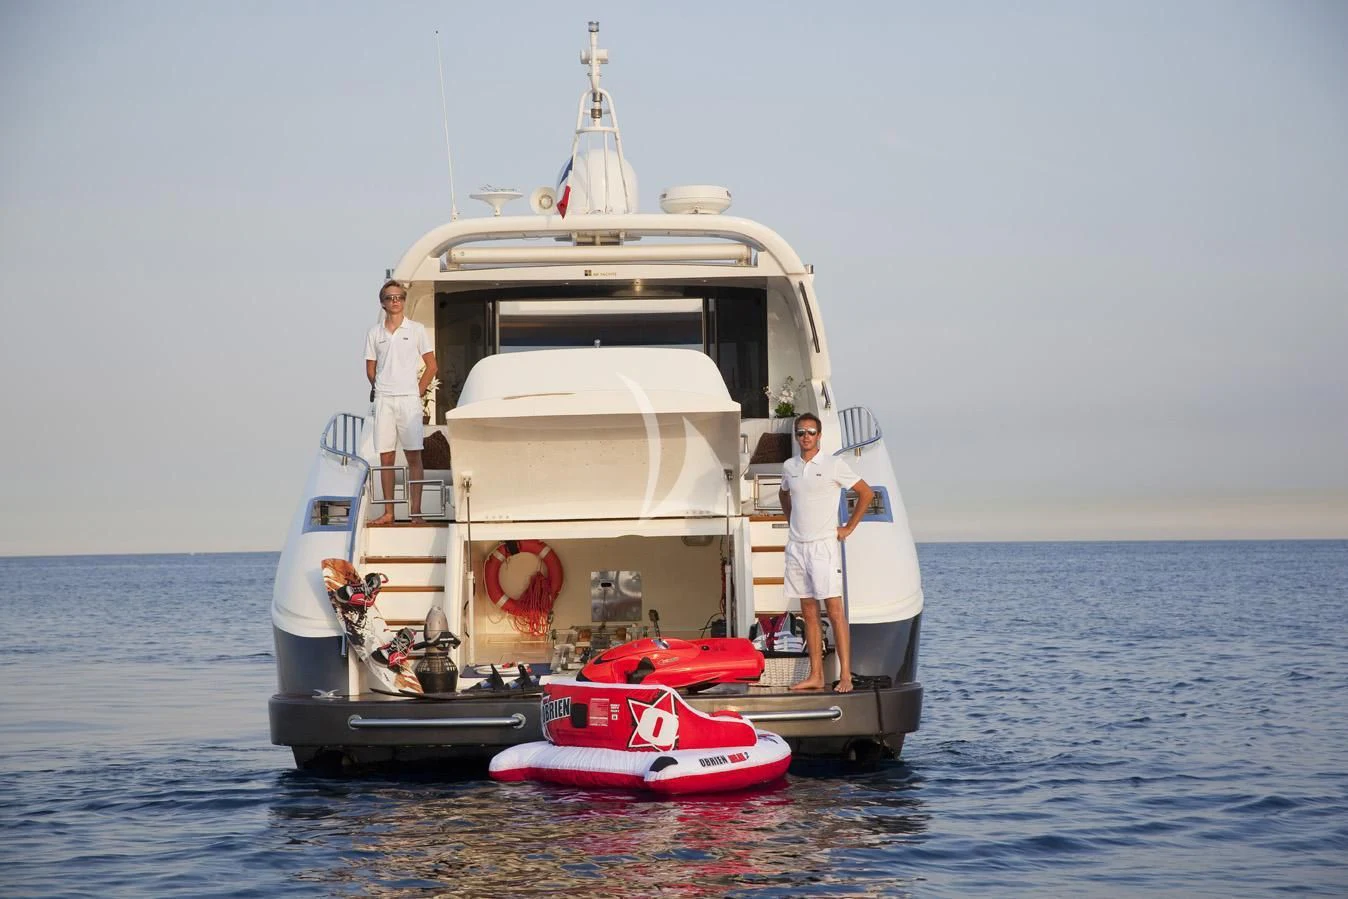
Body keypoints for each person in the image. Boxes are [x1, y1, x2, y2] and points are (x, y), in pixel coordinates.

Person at [779, 412, 873, 693]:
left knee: (834, 611)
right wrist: (791, 521)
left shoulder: (834, 465)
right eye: (801, 432)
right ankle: (816, 676)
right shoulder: (789, 466)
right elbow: (785, 494)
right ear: (796, 436)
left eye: (810, 432)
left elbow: (866, 493)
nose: (805, 437)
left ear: (819, 436)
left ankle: (845, 676)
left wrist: (848, 528)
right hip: (797, 547)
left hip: (824, 547)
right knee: (808, 612)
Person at [364, 280, 437, 524]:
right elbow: (370, 368)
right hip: (384, 399)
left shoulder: (416, 330)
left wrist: (416, 392)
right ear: (382, 303)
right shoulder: (374, 333)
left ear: (404, 301)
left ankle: (416, 513)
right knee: (386, 457)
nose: (395, 301)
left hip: (409, 400)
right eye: (390, 297)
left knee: (414, 455)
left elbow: (432, 365)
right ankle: (389, 513)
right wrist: (382, 387)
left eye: (399, 297)